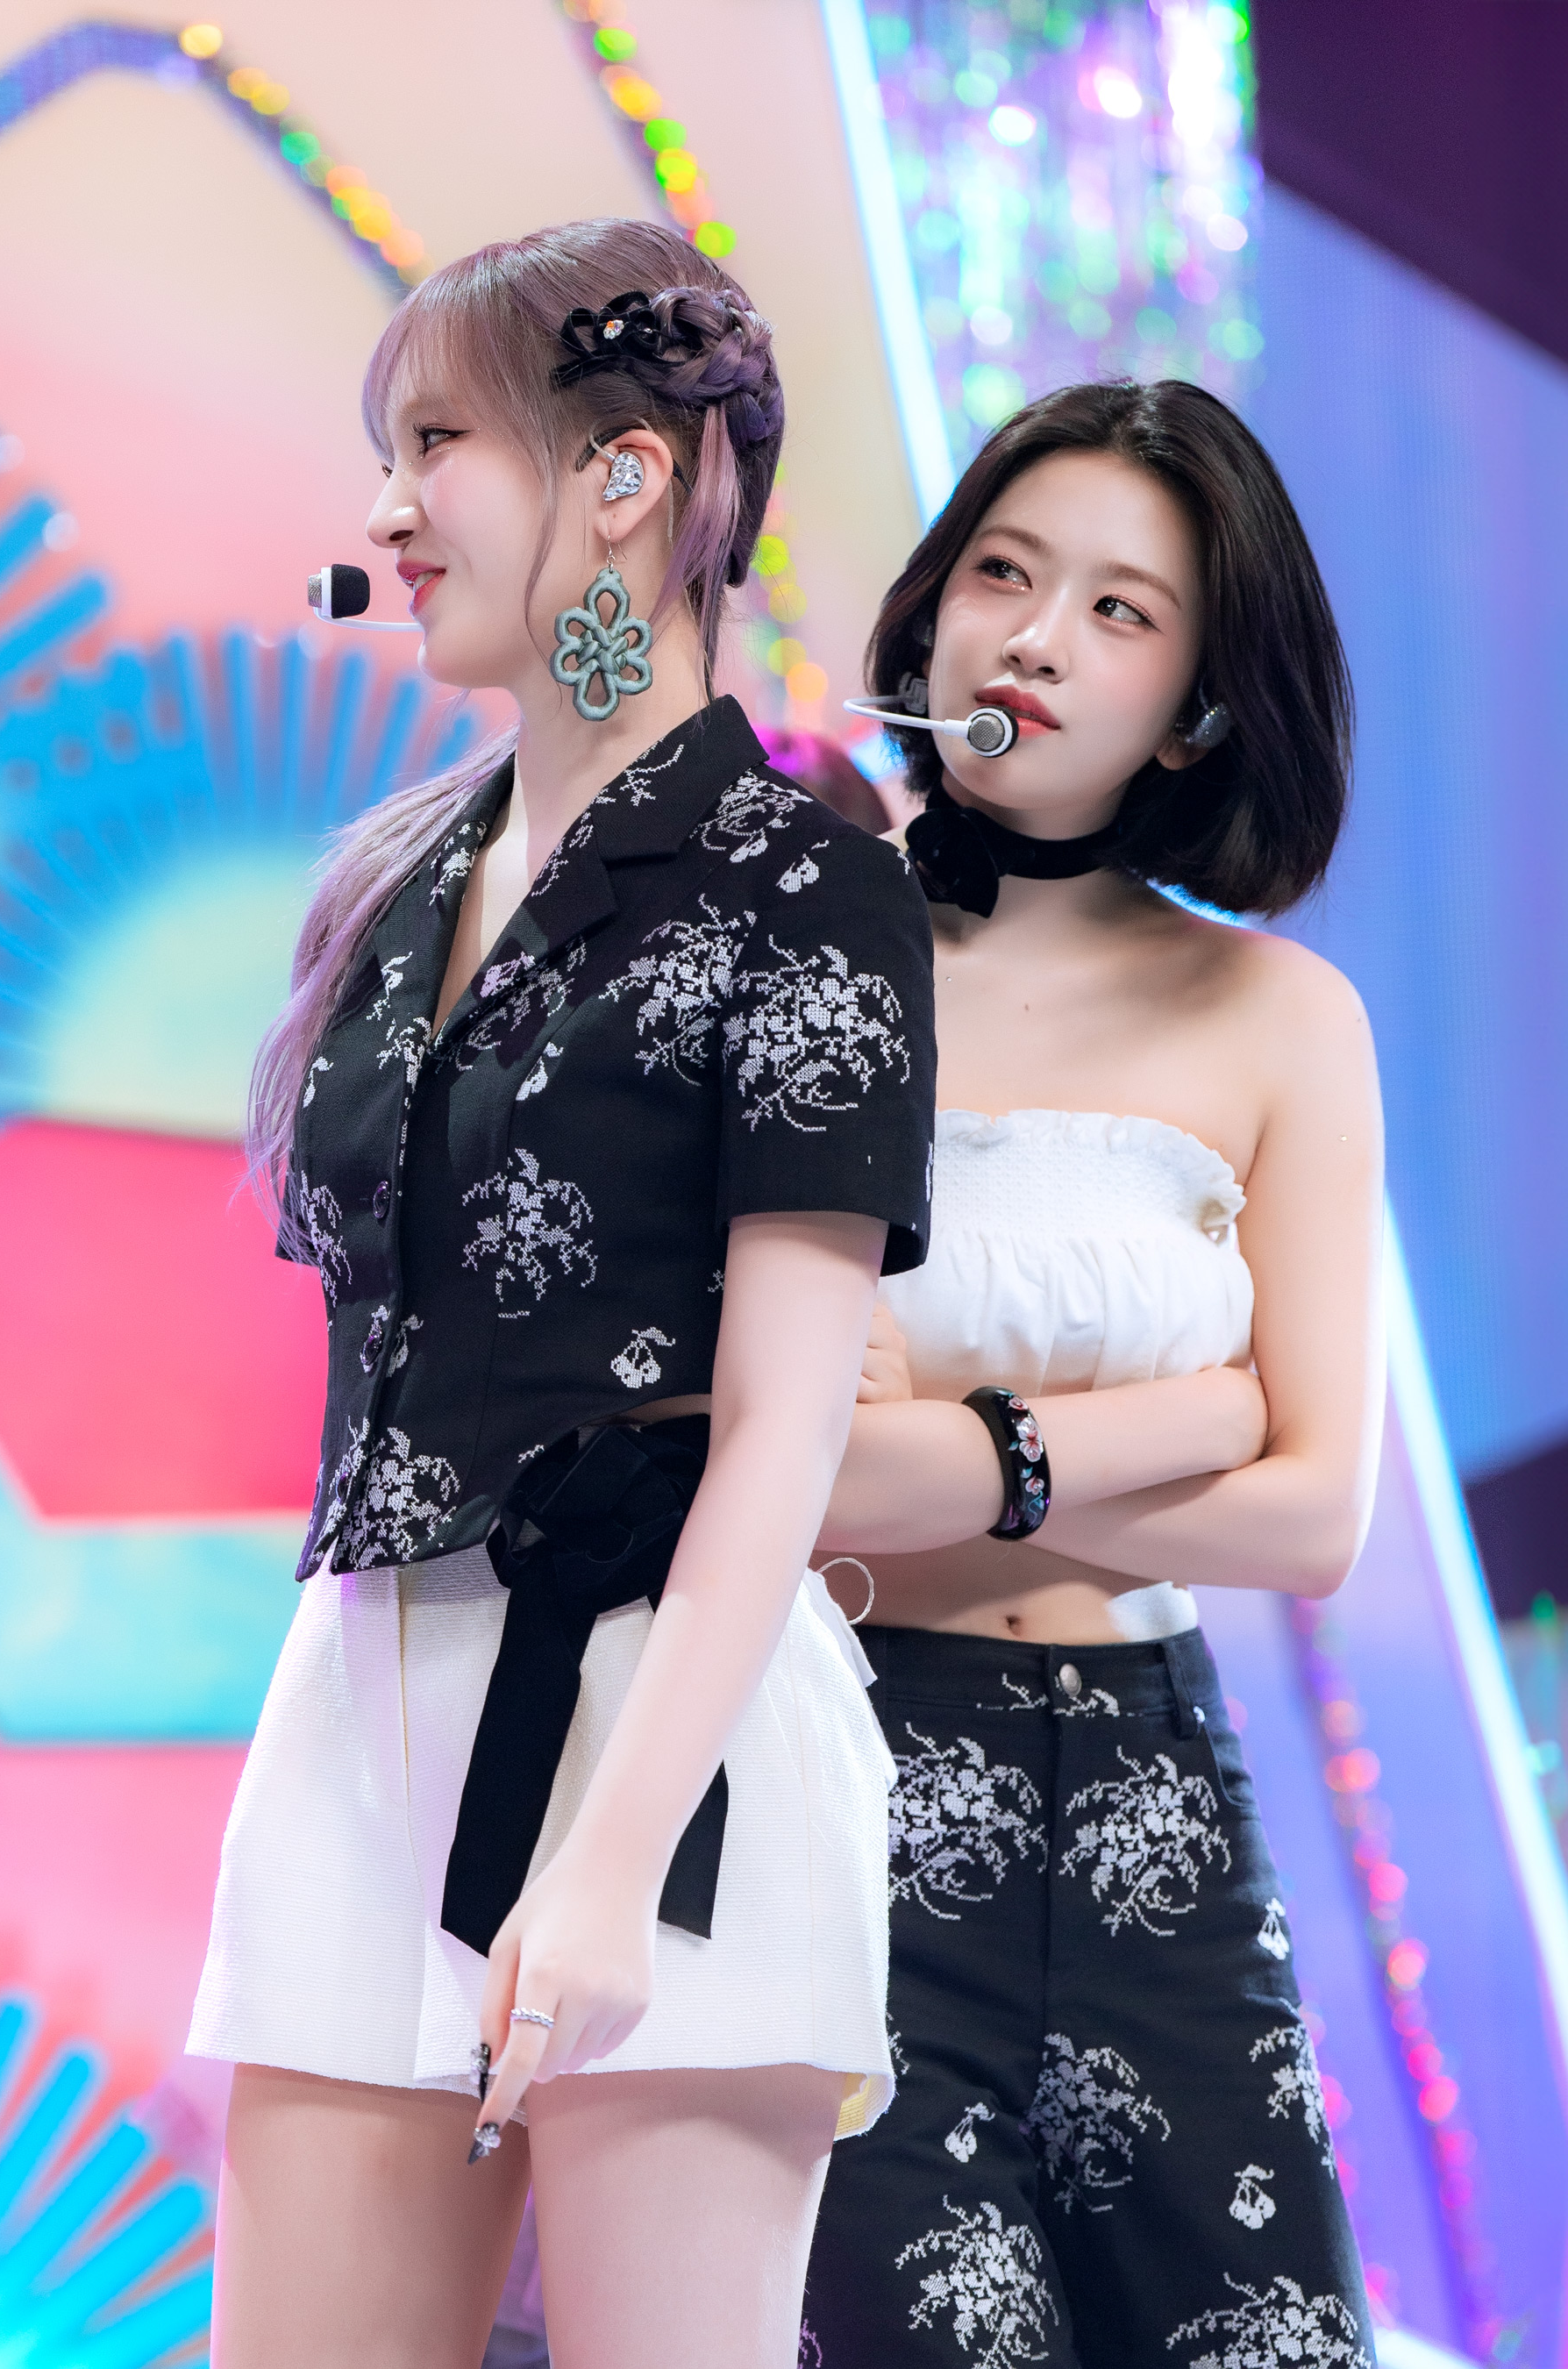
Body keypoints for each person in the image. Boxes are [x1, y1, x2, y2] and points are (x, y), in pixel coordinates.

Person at [184, 219, 937, 2369]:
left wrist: (609, 1859)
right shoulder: (391, 876)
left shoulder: (811, 887)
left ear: (623, 476)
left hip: (660, 1724)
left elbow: (783, 1425)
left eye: (437, 443)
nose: (387, 512)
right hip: (359, 1701)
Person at [802, 381, 1382, 2368]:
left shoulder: (1285, 1018)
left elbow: (1315, 1517)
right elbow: (801, 1481)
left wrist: (964, 1451)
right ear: (931, 612)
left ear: (1201, 707)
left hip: (1158, 1801)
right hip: (838, 1779)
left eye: (1121, 610)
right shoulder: (803, 960)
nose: (1037, 638)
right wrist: (1193, 1417)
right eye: (1003, 572)